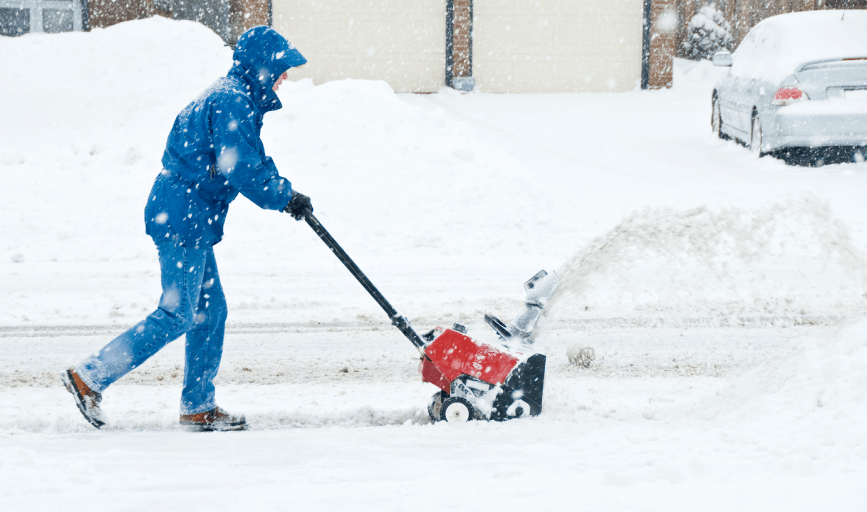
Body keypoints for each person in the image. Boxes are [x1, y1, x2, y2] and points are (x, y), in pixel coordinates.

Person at [60, 26, 312, 432]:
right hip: (183, 214)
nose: (286, 76)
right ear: (263, 66)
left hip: (187, 211)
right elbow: (239, 167)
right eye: (282, 67)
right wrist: (283, 197)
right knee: (178, 313)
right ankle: (89, 376)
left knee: (210, 312)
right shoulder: (232, 100)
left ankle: (198, 405)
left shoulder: (236, 94)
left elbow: (249, 158)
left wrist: (287, 191)